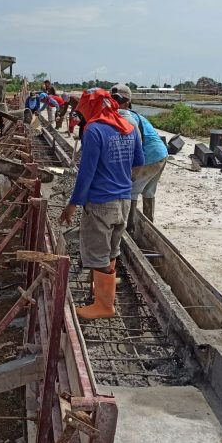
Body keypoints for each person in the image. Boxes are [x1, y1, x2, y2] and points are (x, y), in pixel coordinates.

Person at [59, 89, 144, 320]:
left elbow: (86, 174)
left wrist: (72, 205)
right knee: (111, 250)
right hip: (124, 200)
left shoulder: (94, 130)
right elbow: (139, 160)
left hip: (101, 203)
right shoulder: (129, 127)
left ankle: (104, 306)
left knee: (98, 254)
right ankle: (101, 293)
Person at [110, 83, 168, 228]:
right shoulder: (134, 115)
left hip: (149, 156)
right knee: (148, 191)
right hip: (161, 154)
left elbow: (136, 146)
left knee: (131, 190)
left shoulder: (128, 118)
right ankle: (149, 225)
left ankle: (129, 227)